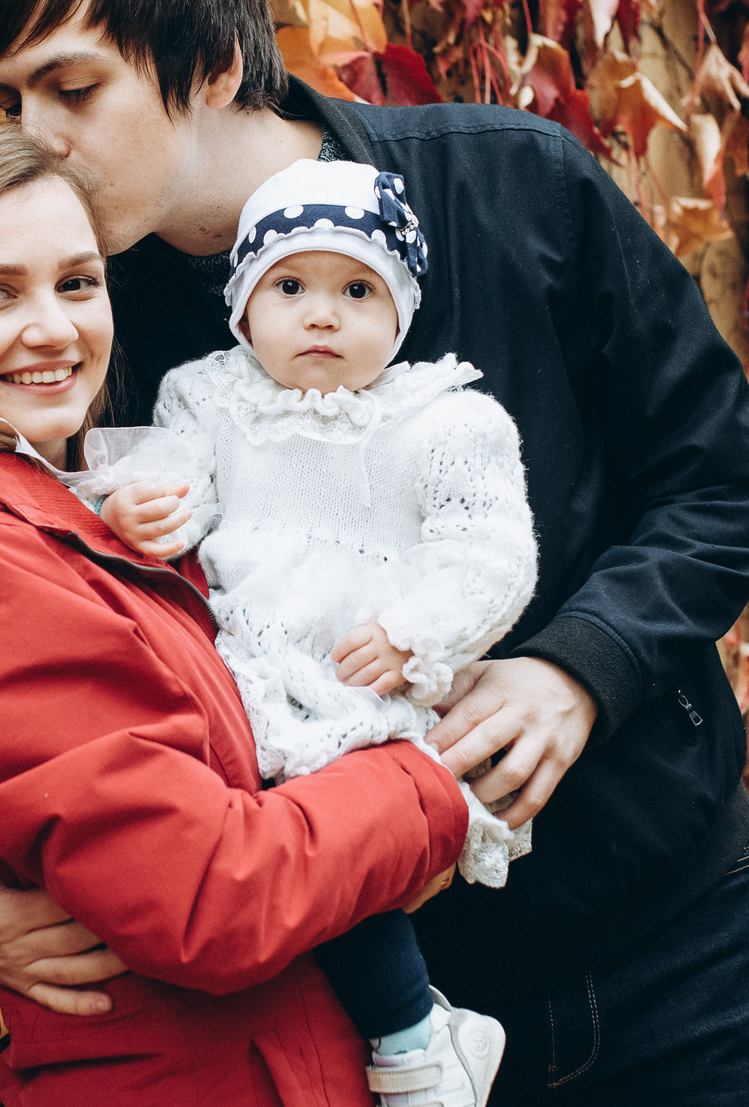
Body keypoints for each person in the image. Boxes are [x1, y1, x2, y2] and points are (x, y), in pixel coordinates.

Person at [0, 0, 749, 1105]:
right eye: (13, 96)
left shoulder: (510, 191)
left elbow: (724, 475)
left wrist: (585, 664)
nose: (34, 133)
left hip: (665, 947)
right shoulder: (82, 326)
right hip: (363, 1013)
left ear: (205, 63)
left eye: (74, 86)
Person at [0, 127, 484, 1105]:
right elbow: (215, 896)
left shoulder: (74, 502)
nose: (54, 328)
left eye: (77, 282)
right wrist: (427, 786)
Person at [91, 156, 537, 1107]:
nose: (322, 313)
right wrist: (147, 506)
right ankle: (392, 1036)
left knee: (321, 839)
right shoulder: (207, 398)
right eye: (289, 285)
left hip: (360, 680)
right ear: (244, 304)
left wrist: (416, 632)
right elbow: (179, 489)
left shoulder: (442, 421)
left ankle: (413, 1035)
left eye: (357, 288)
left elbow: (492, 553)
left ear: (402, 311)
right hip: (239, 669)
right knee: (233, 858)